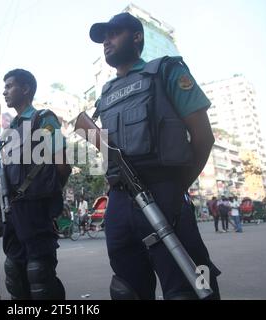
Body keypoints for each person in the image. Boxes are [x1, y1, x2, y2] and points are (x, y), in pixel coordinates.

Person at [89, 12, 220, 299]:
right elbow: (107, 148)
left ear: (137, 37)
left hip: (163, 192)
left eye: (114, 33)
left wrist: (176, 188)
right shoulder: (105, 93)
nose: (106, 42)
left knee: (190, 285)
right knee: (127, 289)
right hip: (120, 200)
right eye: (103, 38)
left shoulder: (166, 71)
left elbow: (203, 137)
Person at [1, 69, 71, 299]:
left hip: (36, 208)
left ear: (26, 89)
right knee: (16, 274)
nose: (4, 91)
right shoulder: (10, 131)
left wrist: (47, 195)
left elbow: (62, 165)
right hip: (13, 211)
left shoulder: (42, 119)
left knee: (39, 273)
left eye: (9, 86)